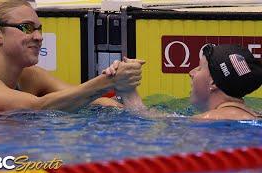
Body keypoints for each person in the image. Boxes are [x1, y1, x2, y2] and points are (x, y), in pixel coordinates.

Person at [0, 0, 145, 112]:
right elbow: (38, 106)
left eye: (39, 29)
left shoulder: (31, 76)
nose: (38, 37)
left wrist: (125, 88)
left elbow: (90, 101)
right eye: (27, 28)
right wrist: (104, 82)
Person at [104, 44, 262, 120]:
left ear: (213, 82)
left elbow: (147, 121)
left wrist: (126, 90)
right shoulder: (252, 115)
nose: (190, 73)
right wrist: (128, 90)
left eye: (199, 69)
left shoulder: (210, 120)